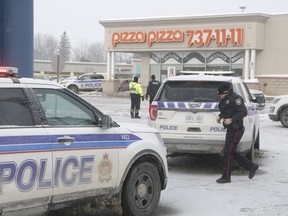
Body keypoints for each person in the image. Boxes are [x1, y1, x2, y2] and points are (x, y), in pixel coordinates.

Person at [216, 83, 259, 183]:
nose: (220, 96)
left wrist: (231, 119)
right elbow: (228, 110)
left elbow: (243, 112)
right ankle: (251, 166)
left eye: (221, 94)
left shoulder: (236, 99)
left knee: (228, 152)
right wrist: (221, 116)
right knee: (230, 151)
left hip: (236, 129)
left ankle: (226, 177)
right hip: (231, 128)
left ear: (226, 92)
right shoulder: (226, 99)